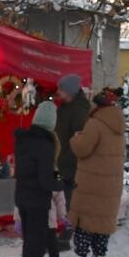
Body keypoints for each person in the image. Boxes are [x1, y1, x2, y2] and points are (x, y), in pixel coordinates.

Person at [65, 88, 126, 257]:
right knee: (103, 220)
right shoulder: (118, 126)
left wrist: (75, 139)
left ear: (98, 105)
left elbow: (82, 148)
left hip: (92, 181)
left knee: (86, 219)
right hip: (111, 183)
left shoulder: (95, 123)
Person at [13, 101, 63, 257]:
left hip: (23, 196)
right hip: (37, 200)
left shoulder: (24, 141)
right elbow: (47, 177)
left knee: (30, 241)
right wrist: (61, 184)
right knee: (36, 244)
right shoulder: (45, 145)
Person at [14, 187, 69, 257]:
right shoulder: (27, 178)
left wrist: (62, 215)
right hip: (32, 219)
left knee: (53, 247)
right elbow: (20, 199)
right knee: (35, 248)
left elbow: (60, 197)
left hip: (49, 220)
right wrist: (18, 219)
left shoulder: (54, 177)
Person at [55, 74, 91, 209]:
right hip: (61, 161)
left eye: (61, 89)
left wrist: (67, 158)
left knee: (68, 201)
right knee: (59, 199)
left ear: (69, 91)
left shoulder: (79, 109)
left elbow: (79, 138)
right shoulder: (64, 107)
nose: (58, 92)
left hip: (70, 164)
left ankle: (68, 222)